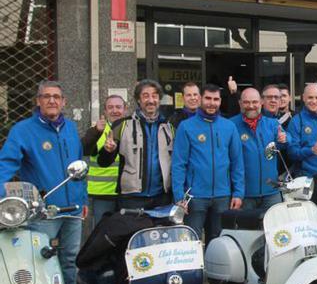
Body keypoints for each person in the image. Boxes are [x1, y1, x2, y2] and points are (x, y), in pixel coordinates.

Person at [0, 80, 88, 284]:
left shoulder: (70, 128)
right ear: (38, 101)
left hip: (72, 208)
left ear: (64, 102)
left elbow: (79, 167)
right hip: (43, 211)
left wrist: (84, 201)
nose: (52, 101)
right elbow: (7, 164)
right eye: (46, 96)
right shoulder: (23, 130)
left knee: (70, 258)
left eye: (56, 97)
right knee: (41, 259)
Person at [171, 84, 244, 241]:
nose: (212, 103)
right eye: (208, 98)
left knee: (219, 241)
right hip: (194, 196)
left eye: (216, 99)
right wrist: (179, 195)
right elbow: (179, 164)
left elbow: (237, 162)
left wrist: (238, 192)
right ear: (200, 99)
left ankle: (216, 267)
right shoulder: (186, 127)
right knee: (192, 240)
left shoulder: (229, 126)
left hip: (223, 195)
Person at [98, 79, 174, 210]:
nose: (151, 100)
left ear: (159, 100)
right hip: (131, 198)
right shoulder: (122, 125)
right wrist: (108, 151)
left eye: (154, 96)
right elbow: (103, 162)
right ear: (138, 100)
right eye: (145, 96)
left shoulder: (169, 127)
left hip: (162, 198)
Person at [230, 88, 287, 210]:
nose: (251, 106)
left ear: (261, 102)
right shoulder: (231, 125)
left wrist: (285, 138)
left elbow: (288, 140)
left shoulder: (272, 124)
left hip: (272, 193)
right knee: (245, 229)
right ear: (240, 103)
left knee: (275, 228)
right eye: (246, 102)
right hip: (245, 195)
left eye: (255, 102)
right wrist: (237, 192)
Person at [81, 94, 126, 231]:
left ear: (125, 110)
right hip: (102, 194)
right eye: (110, 107)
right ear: (105, 112)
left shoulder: (132, 129)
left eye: (118, 107)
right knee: (102, 233)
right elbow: (84, 149)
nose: (115, 111)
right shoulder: (98, 130)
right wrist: (95, 131)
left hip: (126, 193)